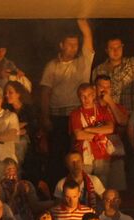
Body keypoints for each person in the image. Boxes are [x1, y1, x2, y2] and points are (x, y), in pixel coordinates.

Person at [38, 19, 95, 178]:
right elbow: (45, 93)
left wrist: (84, 24)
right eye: (69, 45)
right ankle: (57, 188)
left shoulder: (82, 62)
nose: (73, 48)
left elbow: (88, 44)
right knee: (58, 154)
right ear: (61, 45)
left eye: (75, 45)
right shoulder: (52, 66)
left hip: (78, 116)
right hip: (58, 116)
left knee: (78, 153)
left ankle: (80, 186)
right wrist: (45, 117)